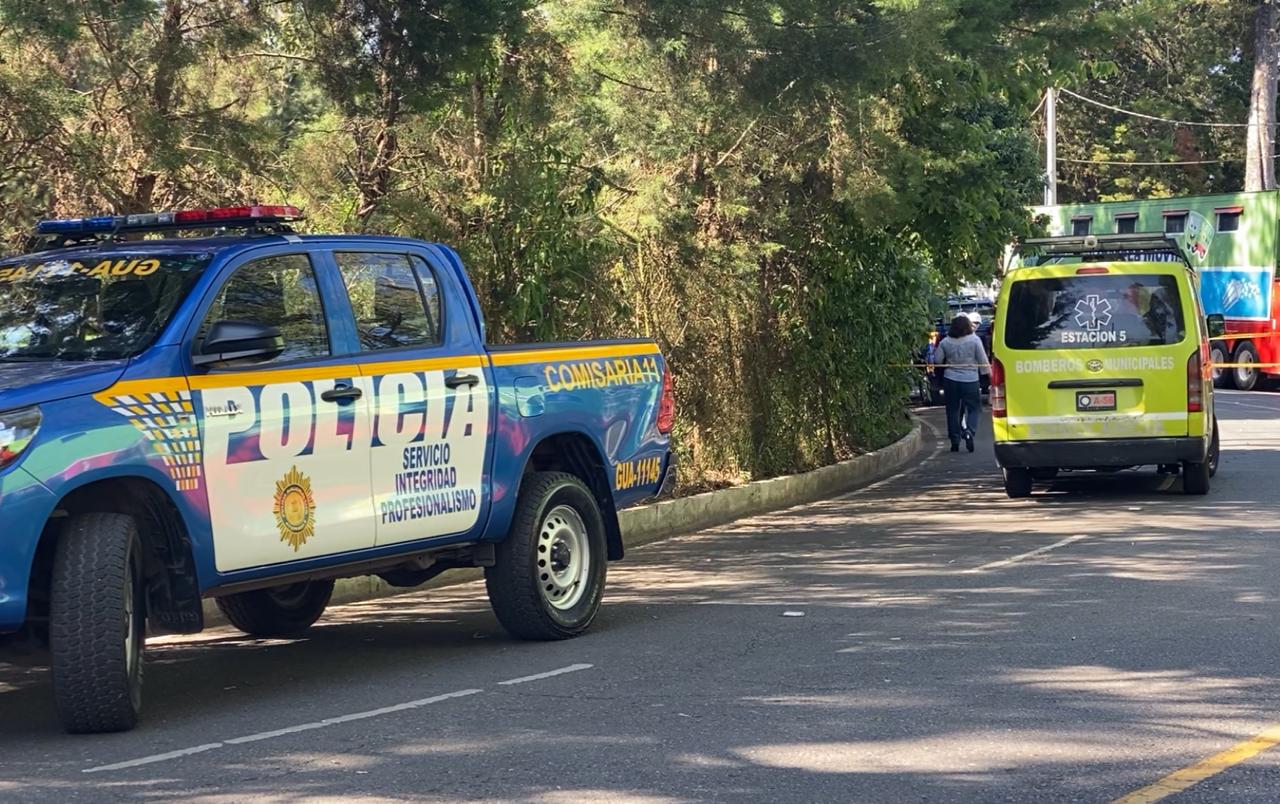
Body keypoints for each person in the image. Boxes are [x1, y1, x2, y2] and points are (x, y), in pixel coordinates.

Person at [932, 315, 991, 452]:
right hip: (970, 379)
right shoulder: (975, 340)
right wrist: (990, 377)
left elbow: (938, 360)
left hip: (950, 379)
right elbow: (983, 360)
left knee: (952, 410)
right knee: (974, 408)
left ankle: (955, 441)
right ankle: (970, 431)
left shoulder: (946, 342)